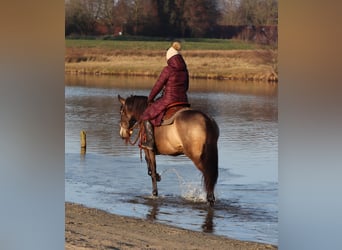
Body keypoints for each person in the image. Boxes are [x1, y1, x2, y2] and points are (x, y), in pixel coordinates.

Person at [140, 41, 189, 151]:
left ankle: (150, 142)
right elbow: (186, 86)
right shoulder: (184, 70)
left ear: (169, 58)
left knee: (146, 115)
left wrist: (150, 98)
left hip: (169, 99)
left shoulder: (168, 69)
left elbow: (158, 85)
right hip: (183, 100)